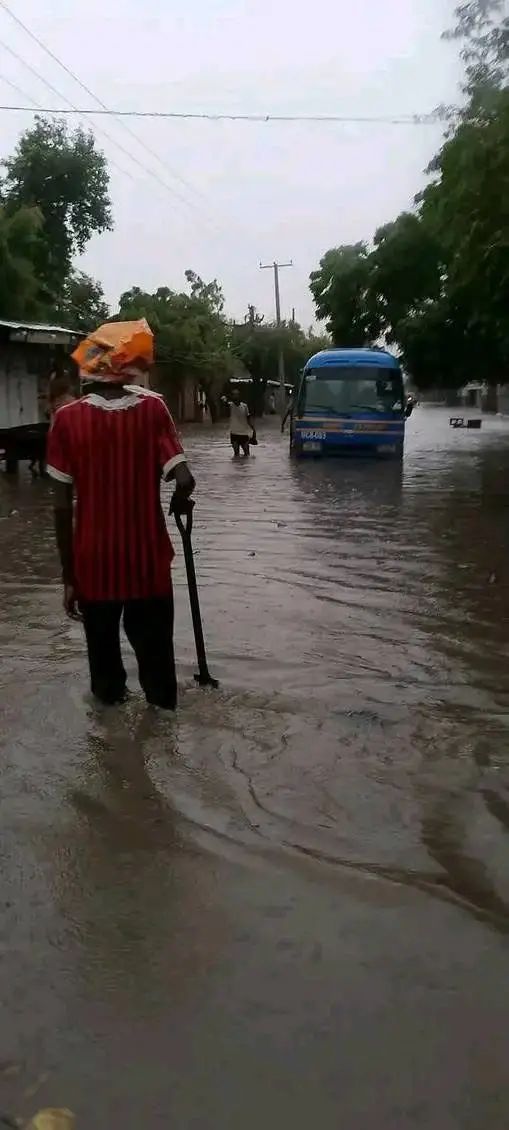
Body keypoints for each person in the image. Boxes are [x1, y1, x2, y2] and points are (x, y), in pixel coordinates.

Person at [46, 340, 195, 710]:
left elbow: (61, 508)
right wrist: (178, 501)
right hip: (147, 562)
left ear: (88, 371)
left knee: (105, 675)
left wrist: (69, 576)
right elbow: (185, 479)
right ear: (127, 367)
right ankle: (162, 730)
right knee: (158, 668)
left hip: (94, 564)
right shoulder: (154, 409)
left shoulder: (66, 420)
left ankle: (110, 734)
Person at [225, 388, 255, 456]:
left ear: (239, 396)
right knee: (236, 455)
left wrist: (253, 430)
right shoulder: (230, 405)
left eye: (237, 394)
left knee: (247, 454)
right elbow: (225, 404)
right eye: (234, 395)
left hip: (244, 433)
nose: (235, 396)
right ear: (232, 396)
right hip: (234, 433)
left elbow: (248, 418)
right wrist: (224, 399)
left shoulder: (244, 406)